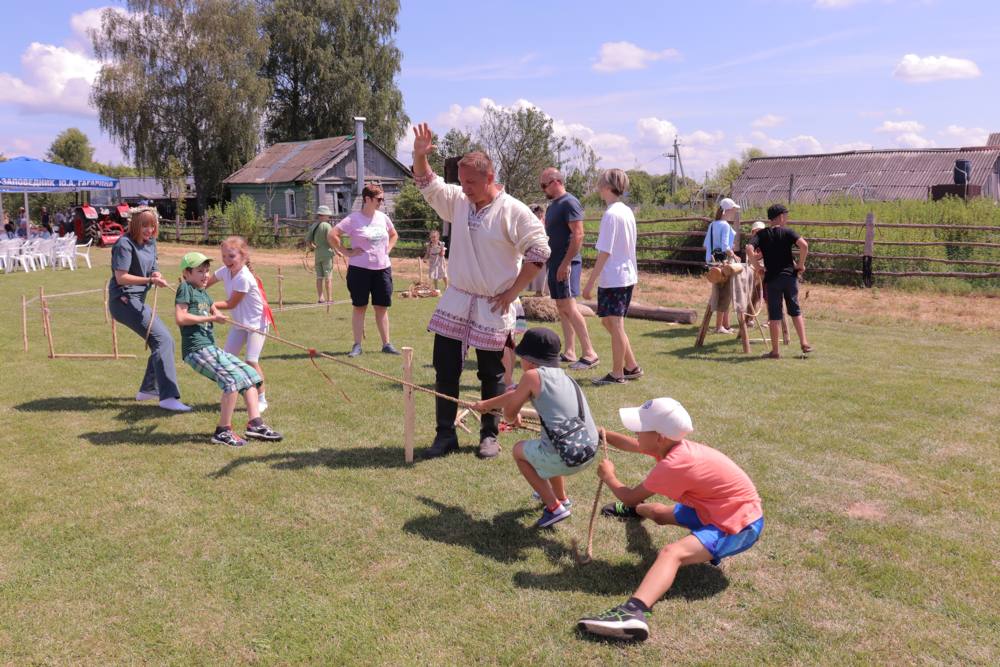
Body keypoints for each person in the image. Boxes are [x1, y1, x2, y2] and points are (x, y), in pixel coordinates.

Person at [411, 123, 550, 460]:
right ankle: (445, 434)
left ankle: (489, 434)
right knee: (445, 368)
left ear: (490, 178)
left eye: (471, 182)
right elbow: (429, 184)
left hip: (494, 303)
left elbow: (539, 252)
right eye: (462, 182)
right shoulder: (459, 201)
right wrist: (419, 156)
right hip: (457, 298)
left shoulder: (513, 210)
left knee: (492, 373)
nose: (465, 189)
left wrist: (512, 292)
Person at [577, 397, 764, 642]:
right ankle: (634, 513)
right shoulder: (672, 446)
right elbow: (634, 445)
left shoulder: (674, 464)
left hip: (739, 524)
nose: (635, 432)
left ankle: (634, 612)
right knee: (659, 514)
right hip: (716, 509)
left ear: (659, 437)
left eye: (640, 428)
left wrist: (610, 477)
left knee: (671, 553)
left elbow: (631, 496)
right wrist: (601, 434)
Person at [471, 327, 598, 527]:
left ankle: (554, 508)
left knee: (518, 451)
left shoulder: (532, 377)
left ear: (529, 359)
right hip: (586, 449)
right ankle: (562, 497)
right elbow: (514, 396)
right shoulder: (565, 378)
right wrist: (486, 405)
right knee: (547, 444)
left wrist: (513, 417)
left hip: (567, 457)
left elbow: (510, 413)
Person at [175, 252, 283, 447]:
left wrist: (217, 313)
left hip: (210, 348)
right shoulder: (185, 288)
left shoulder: (204, 293)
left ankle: (255, 424)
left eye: (207, 271)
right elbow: (181, 318)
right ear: (187, 273)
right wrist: (211, 318)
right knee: (232, 381)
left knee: (249, 375)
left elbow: (213, 309)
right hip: (196, 349)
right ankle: (222, 431)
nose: (206, 275)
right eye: (200, 271)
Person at [107, 207, 190, 411]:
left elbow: (154, 266)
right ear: (135, 224)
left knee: (162, 341)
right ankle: (168, 397)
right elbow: (121, 277)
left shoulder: (151, 243)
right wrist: (149, 279)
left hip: (137, 299)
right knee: (163, 340)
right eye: (144, 225)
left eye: (152, 225)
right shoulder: (124, 244)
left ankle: (148, 390)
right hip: (123, 301)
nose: (149, 229)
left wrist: (156, 274)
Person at [583, 169, 641, 386]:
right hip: (625, 275)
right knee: (609, 322)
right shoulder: (626, 211)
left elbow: (605, 251)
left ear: (607, 187)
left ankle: (618, 374)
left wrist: (589, 282)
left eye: (599, 184)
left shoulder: (611, 214)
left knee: (615, 324)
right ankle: (632, 366)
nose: (598, 187)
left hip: (615, 276)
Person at [329, 183, 401, 357]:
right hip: (359, 270)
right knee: (360, 306)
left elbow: (394, 234)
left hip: (382, 269)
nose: (381, 202)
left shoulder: (383, 217)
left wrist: (388, 249)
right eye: (379, 199)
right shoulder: (353, 219)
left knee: (381, 307)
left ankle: (386, 344)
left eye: (382, 199)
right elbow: (332, 234)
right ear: (367, 199)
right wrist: (346, 252)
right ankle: (357, 345)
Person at [208, 236, 277, 413]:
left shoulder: (243, 277)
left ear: (243, 256)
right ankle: (232, 392)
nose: (227, 260)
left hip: (256, 324)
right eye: (224, 256)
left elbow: (231, 304)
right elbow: (205, 283)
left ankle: (261, 398)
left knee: (251, 360)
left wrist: (209, 305)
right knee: (226, 359)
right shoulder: (225, 271)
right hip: (240, 323)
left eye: (231, 256)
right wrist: (191, 288)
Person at [540, 167, 598, 370]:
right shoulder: (555, 204)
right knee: (562, 308)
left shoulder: (569, 202)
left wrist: (565, 264)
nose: (543, 190)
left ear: (556, 181)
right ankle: (570, 351)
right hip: (555, 262)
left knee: (569, 307)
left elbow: (578, 235)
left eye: (544, 185)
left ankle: (590, 353)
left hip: (566, 263)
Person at [745, 204, 812, 358]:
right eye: (786, 216)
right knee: (795, 310)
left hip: (773, 279)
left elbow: (749, 248)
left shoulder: (762, 235)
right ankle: (804, 343)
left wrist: (757, 267)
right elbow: (804, 246)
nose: (787, 218)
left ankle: (775, 352)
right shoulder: (788, 232)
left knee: (774, 315)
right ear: (780, 216)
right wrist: (800, 265)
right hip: (789, 278)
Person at [703, 198, 740, 334]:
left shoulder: (712, 224)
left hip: (712, 263)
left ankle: (725, 324)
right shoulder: (724, 225)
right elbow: (725, 246)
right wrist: (734, 255)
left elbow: (706, 245)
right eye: (733, 210)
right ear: (727, 211)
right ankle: (720, 326)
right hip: (722, 263)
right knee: (724, 294)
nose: (734, 212)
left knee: (721, 292)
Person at [306, 205, 335, 303]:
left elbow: (308, 241)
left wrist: (313, 248)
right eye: (327, 216)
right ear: (322, 215)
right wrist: (336, 250)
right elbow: (330, 240)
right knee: (328, 277)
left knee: (319, 277)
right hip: (327, 254)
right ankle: (330, 298)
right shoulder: (327, 226)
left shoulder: (314, 226)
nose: (328, 217)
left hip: (318, 254)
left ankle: (320, 298)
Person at [527, 204, 548, 296]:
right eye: (537, 212)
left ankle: (545, 291)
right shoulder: (530, 223)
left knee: (544, 271)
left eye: (541, 212)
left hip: (545, 247)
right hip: (535, 248)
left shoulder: (545, 221)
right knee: (538, 271)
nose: (539, 214)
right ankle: (538, 291)